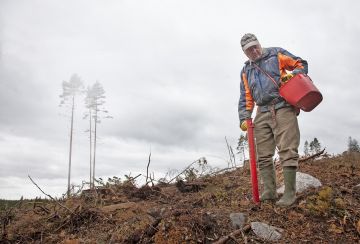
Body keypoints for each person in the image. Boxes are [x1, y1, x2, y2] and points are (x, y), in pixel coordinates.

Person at [238, 33, 308, 207]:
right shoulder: (246, 70)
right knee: (263, 154)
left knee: (287, 149)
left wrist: (293, 75)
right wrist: (244, 117)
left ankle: (290, 194)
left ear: (259, 44)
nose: (254, 50)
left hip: (282, 106)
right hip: (262, 112)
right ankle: (269, 192)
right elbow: (246, 96)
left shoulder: (275, 54)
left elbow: (301, 63)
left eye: (255, 46)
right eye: (249, 49)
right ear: (245, 52)